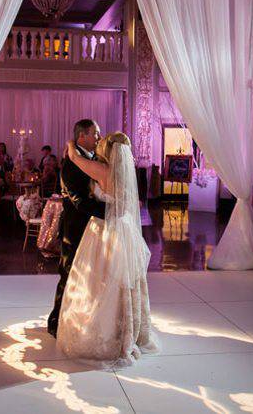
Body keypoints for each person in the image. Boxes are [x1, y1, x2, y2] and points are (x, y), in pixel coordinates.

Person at [56, 131, 159, 367]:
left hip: (103, 231)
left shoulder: (102, 171)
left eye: (102, 144)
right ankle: (126, 331)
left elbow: (75, 158)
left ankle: (106, 334)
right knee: (121, 284)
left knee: (98, 282)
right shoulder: (124, 172)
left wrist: (70, 143)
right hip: (123, 231)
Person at [48, 119, 106, 336]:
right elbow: (79, 200)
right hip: (74, 230)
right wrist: (110, 212)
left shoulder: (91, 158)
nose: (99, 137)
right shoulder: (71, 164)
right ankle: (55, 322)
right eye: (95, 133)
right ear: (82, 136)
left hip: (92, 230)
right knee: (68, 274)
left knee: (86, 278)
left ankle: (77, 319)